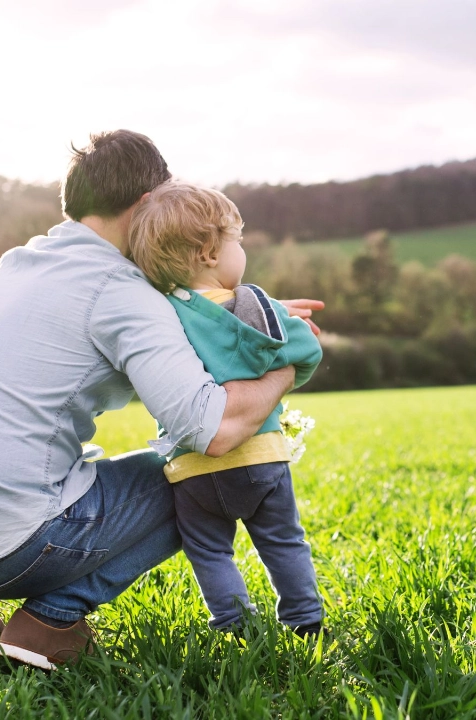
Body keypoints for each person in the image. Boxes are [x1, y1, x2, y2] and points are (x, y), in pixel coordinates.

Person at [0, 130, 324, 671]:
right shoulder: (121, 291)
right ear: (147, 205)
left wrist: (233, 309)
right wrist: (287, 362)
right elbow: (214, 431)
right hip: (2, 546)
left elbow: (164, 327)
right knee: (194, 480)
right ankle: (50, 621)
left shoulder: (21, 262)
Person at [128, 182, 324, 636]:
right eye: (237, 240)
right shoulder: (256, 306)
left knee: (210, 552)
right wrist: (286, 374)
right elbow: (305, 353)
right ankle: (305, 621)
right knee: (283, 542)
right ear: (210, 252)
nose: (243, 251)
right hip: (261, 456)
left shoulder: (158, 317)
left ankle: (235, 625)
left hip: (192, 467)